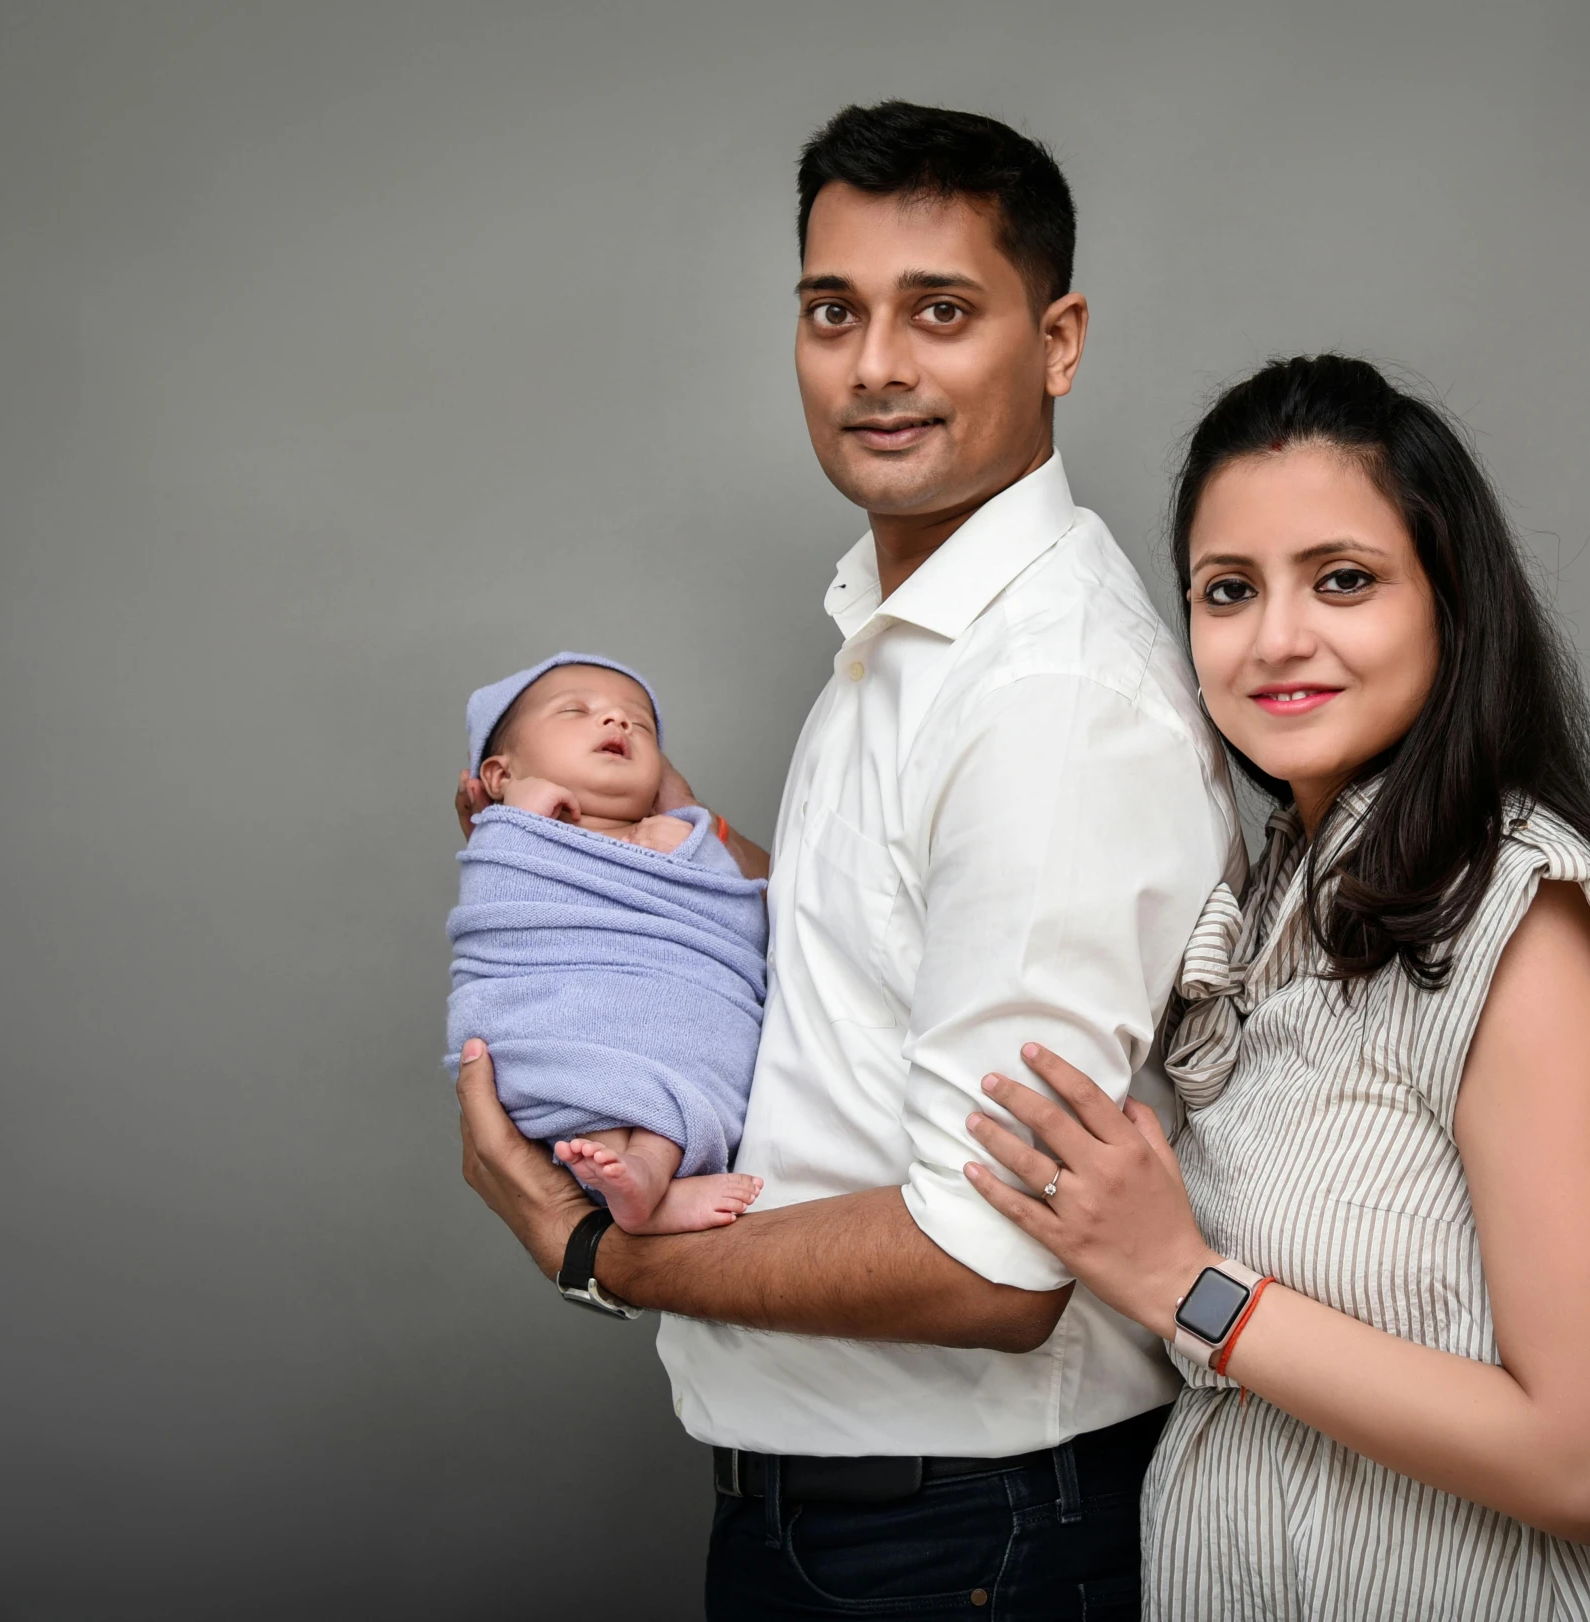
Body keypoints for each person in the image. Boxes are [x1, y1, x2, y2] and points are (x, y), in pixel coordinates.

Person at [451, 103, 1235, 1619]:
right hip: (879, 1528)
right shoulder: (914, 640)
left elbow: (989, 1268)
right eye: (832, 311)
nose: (874, 365)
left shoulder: (1044, 701)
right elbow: (876, 943)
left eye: (939, 311)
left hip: (966, 1544)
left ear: (1056, 340)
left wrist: (596, 1255)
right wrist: (619, 858)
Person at [962, 355, 1590, 1618]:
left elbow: (1587, 1462)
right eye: (1227, 590)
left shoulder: (1515, 920)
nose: (1276, 639)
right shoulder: (1276, 903)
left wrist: (1184, 1281)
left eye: (1345, 580)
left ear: (1452, 603)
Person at [448, 653, 767, 1236]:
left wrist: (686, 837)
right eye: (577, 711)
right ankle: (629, 1179)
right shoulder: (509, 835)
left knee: (692, 1062)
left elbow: (737, 924)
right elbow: (499, 910)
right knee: (593, 1073)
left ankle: (648, 1177)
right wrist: (517, 824)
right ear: (498, 774)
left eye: (639, 725)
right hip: (558, 1008)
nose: (618, 724)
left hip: (688, 1007)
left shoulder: (691, 839)